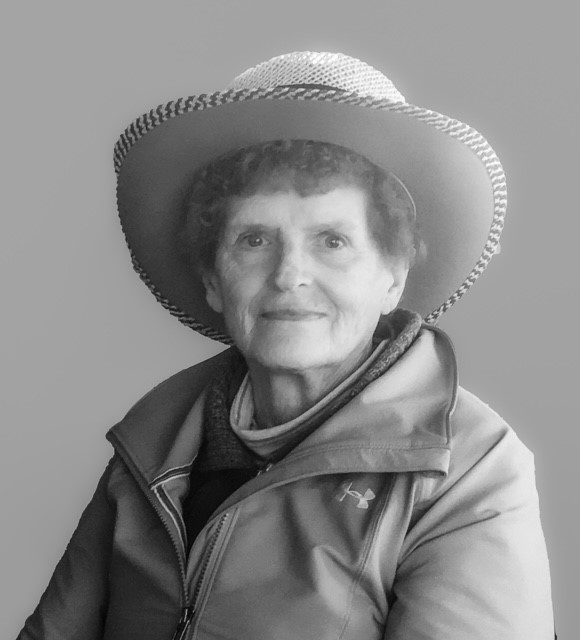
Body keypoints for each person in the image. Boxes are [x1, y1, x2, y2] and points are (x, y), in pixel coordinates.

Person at [17, 51, 554, 639]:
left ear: (392, 278)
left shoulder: (471, 465)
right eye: (254, 240)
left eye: (332, 240)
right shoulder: (153, 440)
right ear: (213, 280)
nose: (288, 275)